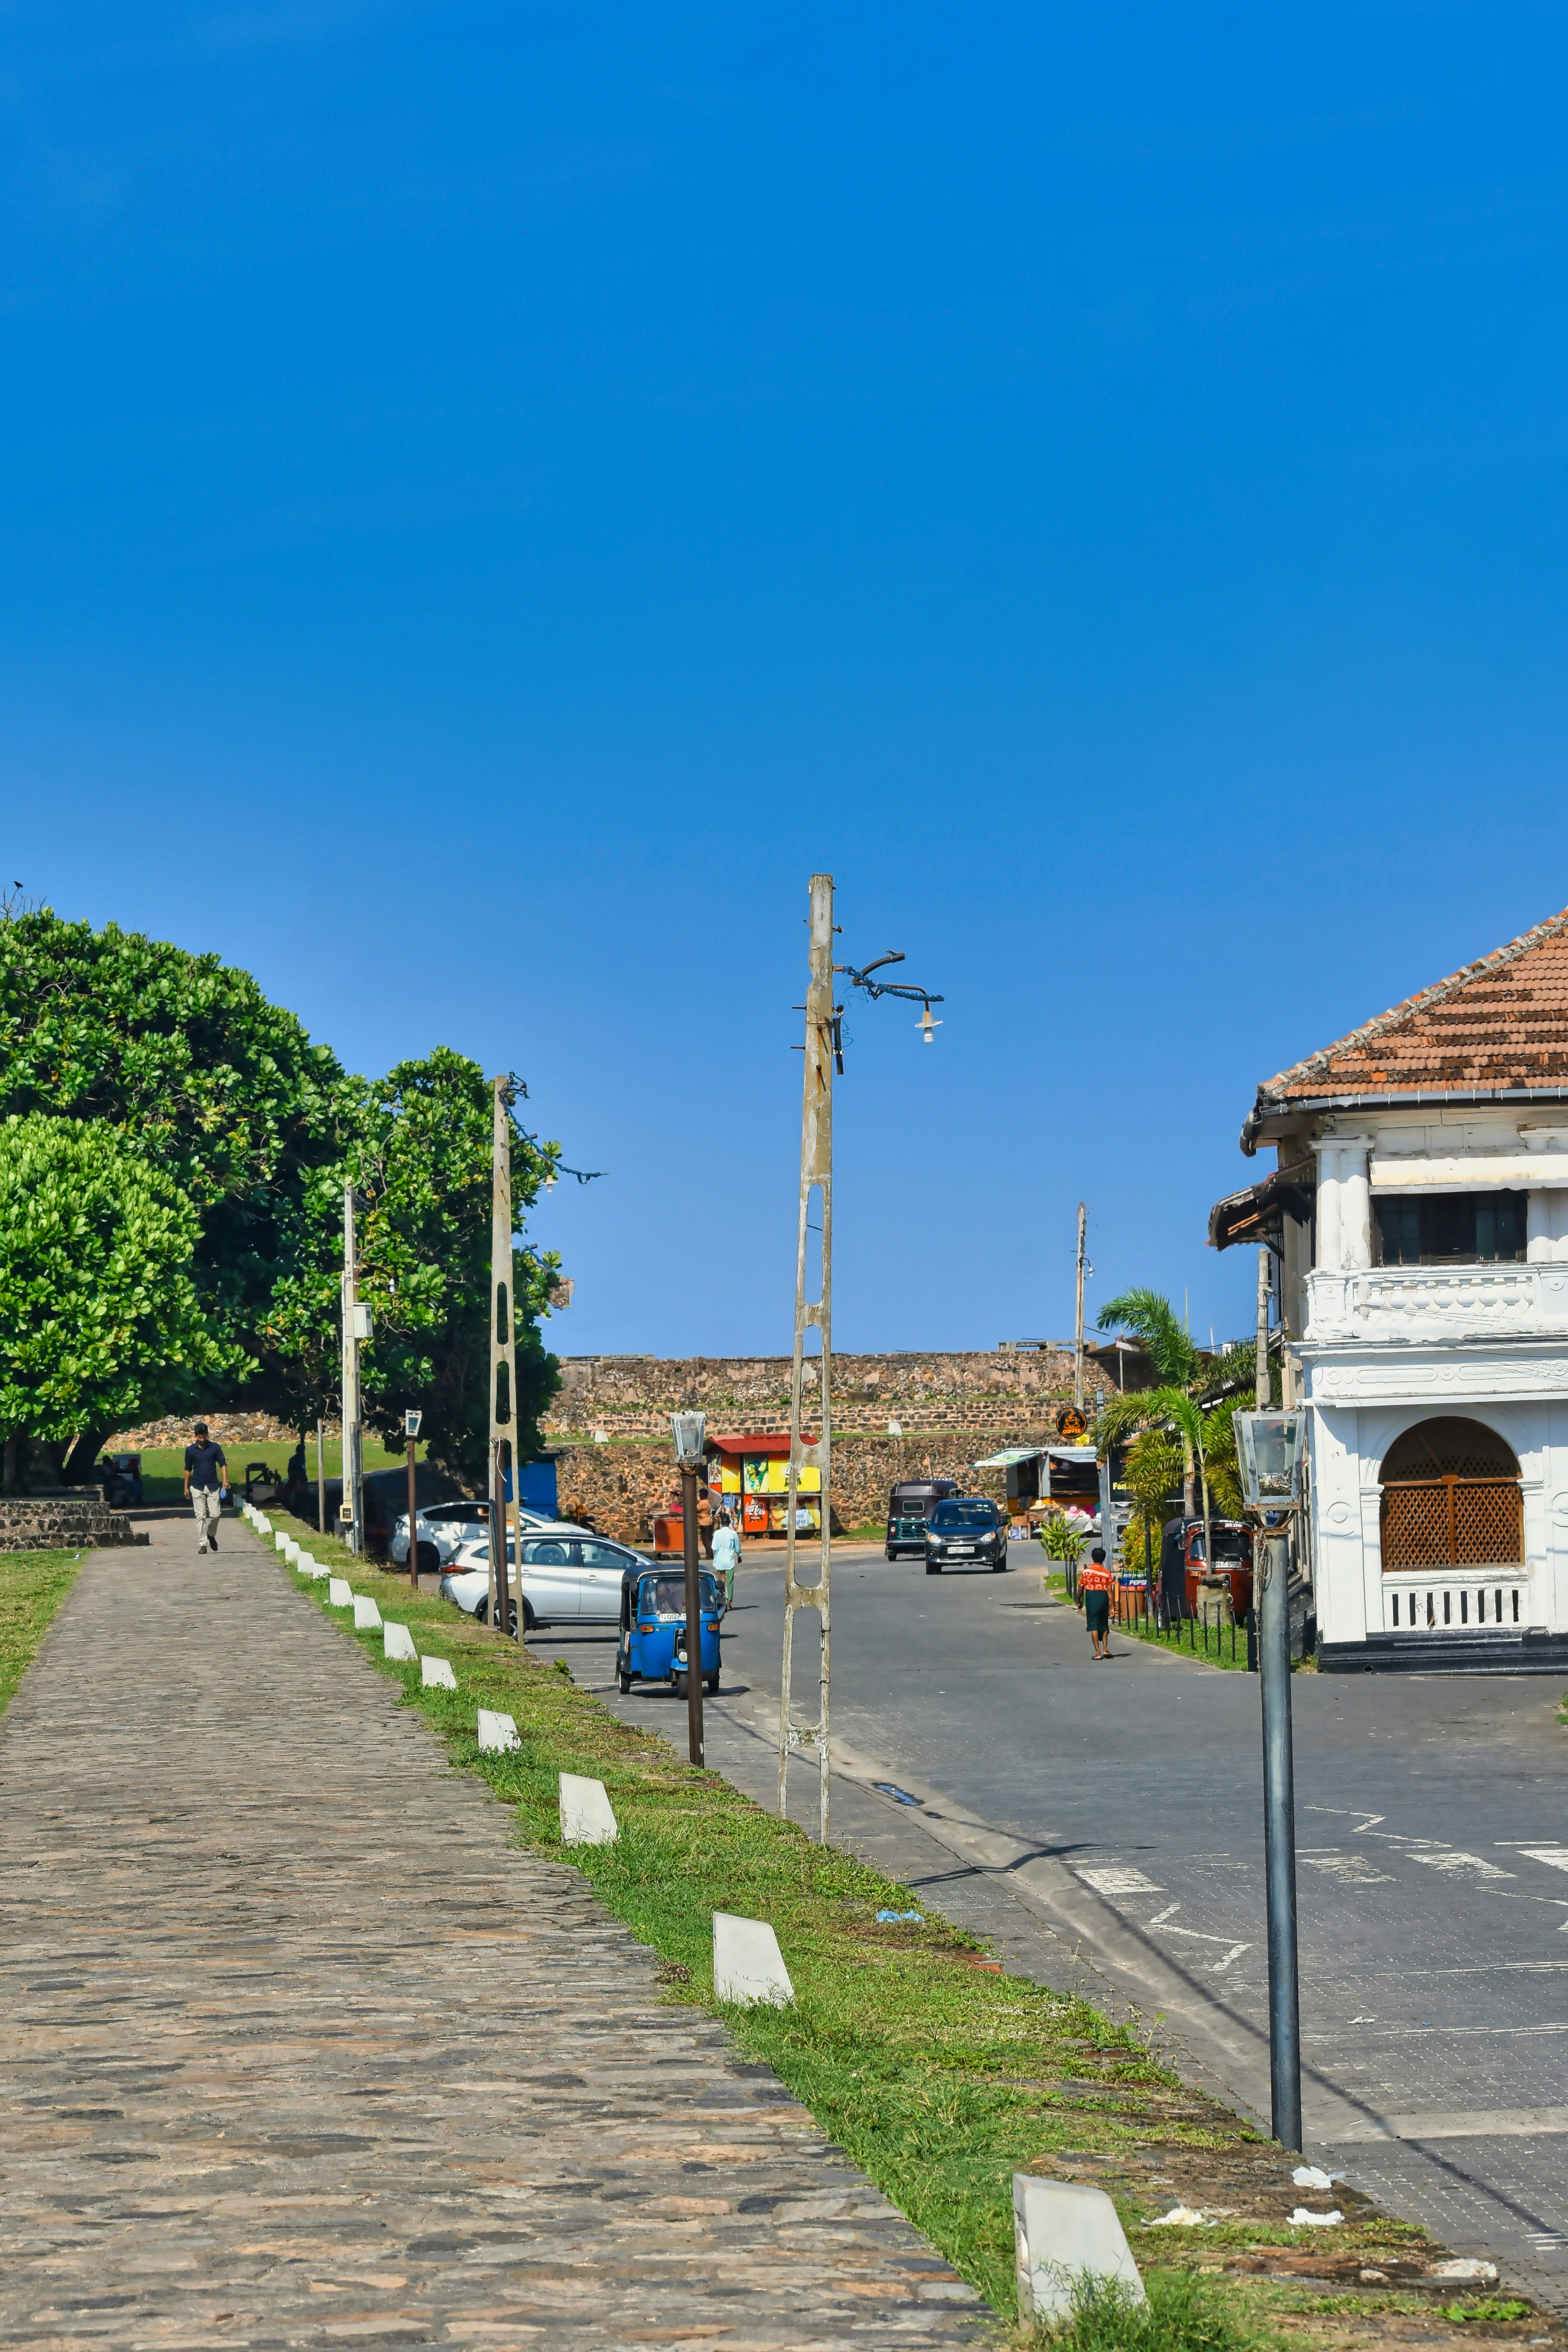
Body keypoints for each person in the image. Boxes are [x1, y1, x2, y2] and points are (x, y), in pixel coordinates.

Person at [184, 1422, 229, 1555]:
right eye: (199, 1438)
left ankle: (211, 1534)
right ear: (196, 1436)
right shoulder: (191, 1450)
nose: (202, 1440)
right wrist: (186, 1486)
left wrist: (225, 1480)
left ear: (207, 1435)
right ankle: (203, 1544)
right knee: (201, 1516)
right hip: (197, 1486)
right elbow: (188, 1468)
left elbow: (223, 1464)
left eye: (204, 1437)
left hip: (213, 1486)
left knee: (216, 1515)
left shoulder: (215, 1448)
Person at [1077, 1542, 1116, 1660]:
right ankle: (1106, 1649)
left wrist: (1079, 1601)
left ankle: (1098, 1653)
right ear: (1104, 1559)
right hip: (1103, 1597)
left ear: (1093, 1558)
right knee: (1104, 1624)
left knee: (1094, 1624)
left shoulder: (1087, 1572)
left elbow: (1081, 1588)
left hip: (1091, 1597)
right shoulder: (1106, 1573)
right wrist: (1113, 1606)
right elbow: (1110, 1590)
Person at [712, 1513, 742, 1609]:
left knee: (720, 1583)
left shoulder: (717, 1533)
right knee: (729, 1583)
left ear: (721, 1522)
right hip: (729, 1563)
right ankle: (729, 1602)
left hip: (719, 1563)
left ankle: (721, 1603)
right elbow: (738, 1547)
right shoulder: (733, 1534)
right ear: (729, 1522)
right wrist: (739, 1556)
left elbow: (714, 1548)